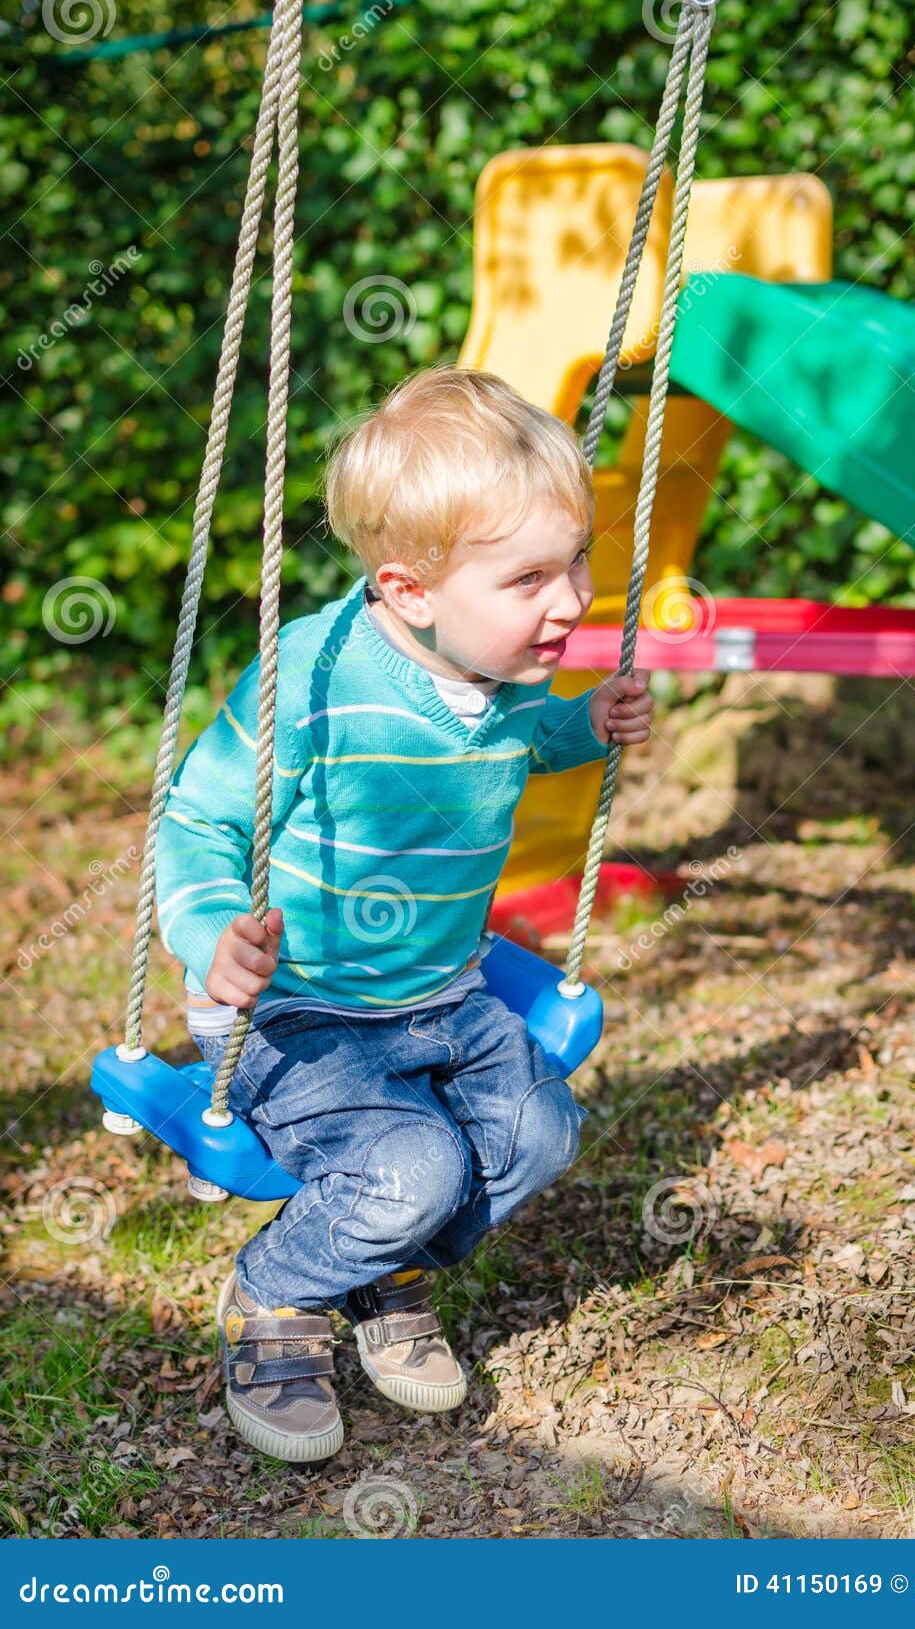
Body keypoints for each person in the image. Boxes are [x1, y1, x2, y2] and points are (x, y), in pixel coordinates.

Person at [155, 366, 653, 1462]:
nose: (571, 597)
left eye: (574, 559)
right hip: (293, 1008)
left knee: (539, 1132)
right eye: (530, 575)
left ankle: (385, 1265)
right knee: (411, 1163)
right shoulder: (314, 678)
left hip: (438, 988)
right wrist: (210, 941)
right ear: (409, 590)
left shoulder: (504, 660)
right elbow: (192, 825)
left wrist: (585, 724)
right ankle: (277, 1293)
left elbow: (517, 736)